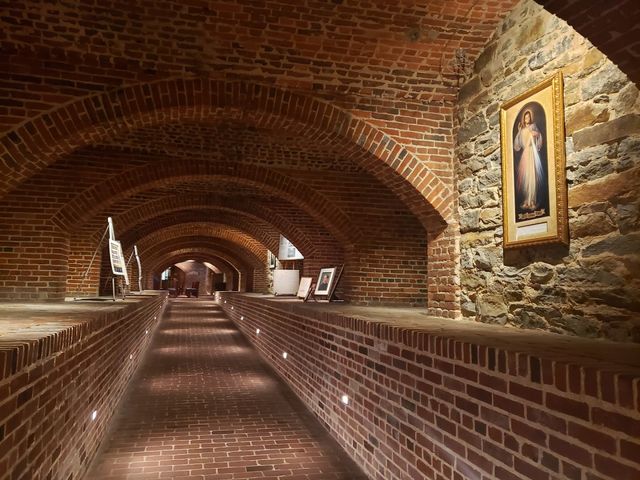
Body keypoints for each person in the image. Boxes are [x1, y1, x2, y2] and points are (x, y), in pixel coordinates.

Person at [513, 108, 544, 211]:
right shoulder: (522, 130)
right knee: (526, 177)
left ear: (530, 118)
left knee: (532, 176)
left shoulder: (533, 126)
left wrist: (536, 134)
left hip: (532, 153)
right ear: (524, 118)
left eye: (528, 117)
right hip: (525, 154)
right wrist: (519, 131)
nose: (527, 119)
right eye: (526, 117)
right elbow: (517, 146)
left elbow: (539, 136)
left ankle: (532, 200)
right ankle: (527, 200)